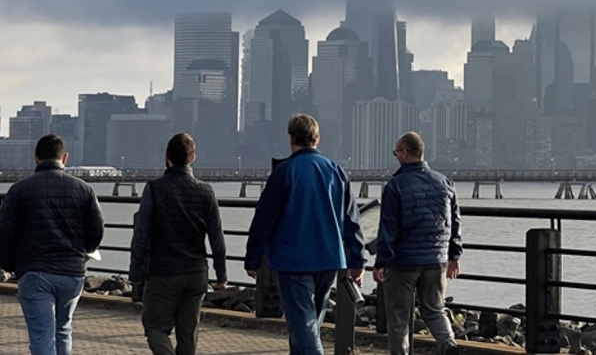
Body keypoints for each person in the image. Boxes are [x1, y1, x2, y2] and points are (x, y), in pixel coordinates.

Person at [244, 114, 365, 355]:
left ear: (292, 139)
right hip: (330, 259)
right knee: (309, 326)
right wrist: (357, 260)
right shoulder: (336, 171)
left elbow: (264, 218)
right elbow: (352, 219)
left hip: (293, 259)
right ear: (317, 139)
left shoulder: (285, 171)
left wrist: (253, 258)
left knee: (303, 325)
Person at [0, 134, 105, 355]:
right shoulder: (84, 190)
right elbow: (96, 232)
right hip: (71, 272)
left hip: (34, 270)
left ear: (35, 158)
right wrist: (81, 253)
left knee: (42, 336)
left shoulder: (19, 190)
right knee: (63, 330)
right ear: (64, 158)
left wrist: (11, 265)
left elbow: (5, 234)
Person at [129, 132, 227, 355]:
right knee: (188, 334)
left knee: (155, 327)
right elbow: (217, 238)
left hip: (163, 273)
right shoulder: (206, 191)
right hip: (196, 272)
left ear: (166, 156)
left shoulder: (154, 189)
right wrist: (221, 275)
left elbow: (141, 234)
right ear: (192, 158)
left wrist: (135, 272)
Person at [373, 131, 463, 355]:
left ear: (405, 152)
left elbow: (389, 229)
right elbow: (455, 222)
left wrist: (381, 262)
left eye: (396, 152)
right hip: (437, 260)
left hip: (404, 261)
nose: (396, 157)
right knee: (435, 310)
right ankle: (447, 343)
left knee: (399, 318)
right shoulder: (445, 183)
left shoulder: (396, 186)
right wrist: (454, 255)